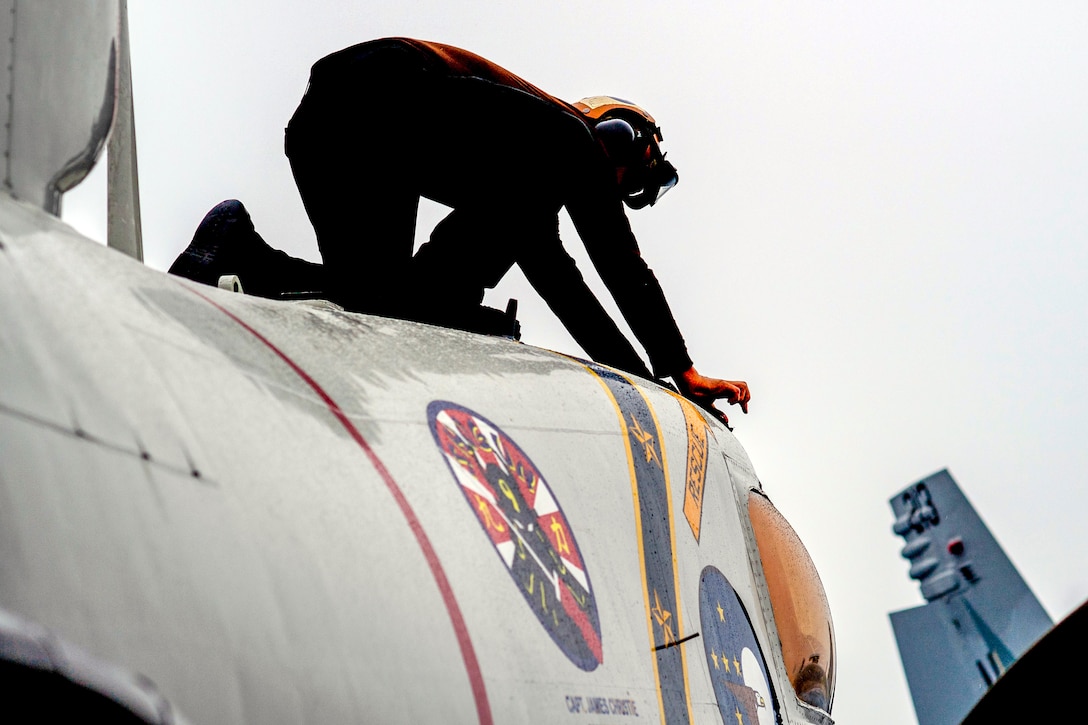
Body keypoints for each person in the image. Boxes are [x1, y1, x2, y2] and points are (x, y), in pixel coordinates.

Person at [171, 37, 750, 422]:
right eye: (631, 168)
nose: (613, 190)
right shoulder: (573, 140)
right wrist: (677, 374)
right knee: (395, 300)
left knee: (367, 300)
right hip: (384, 105)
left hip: (327, 122)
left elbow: (558, 278)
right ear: (617, 137)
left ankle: (234, 252)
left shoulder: (527, 177)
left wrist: (641, 381)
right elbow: (619, 266)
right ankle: (437, 301)